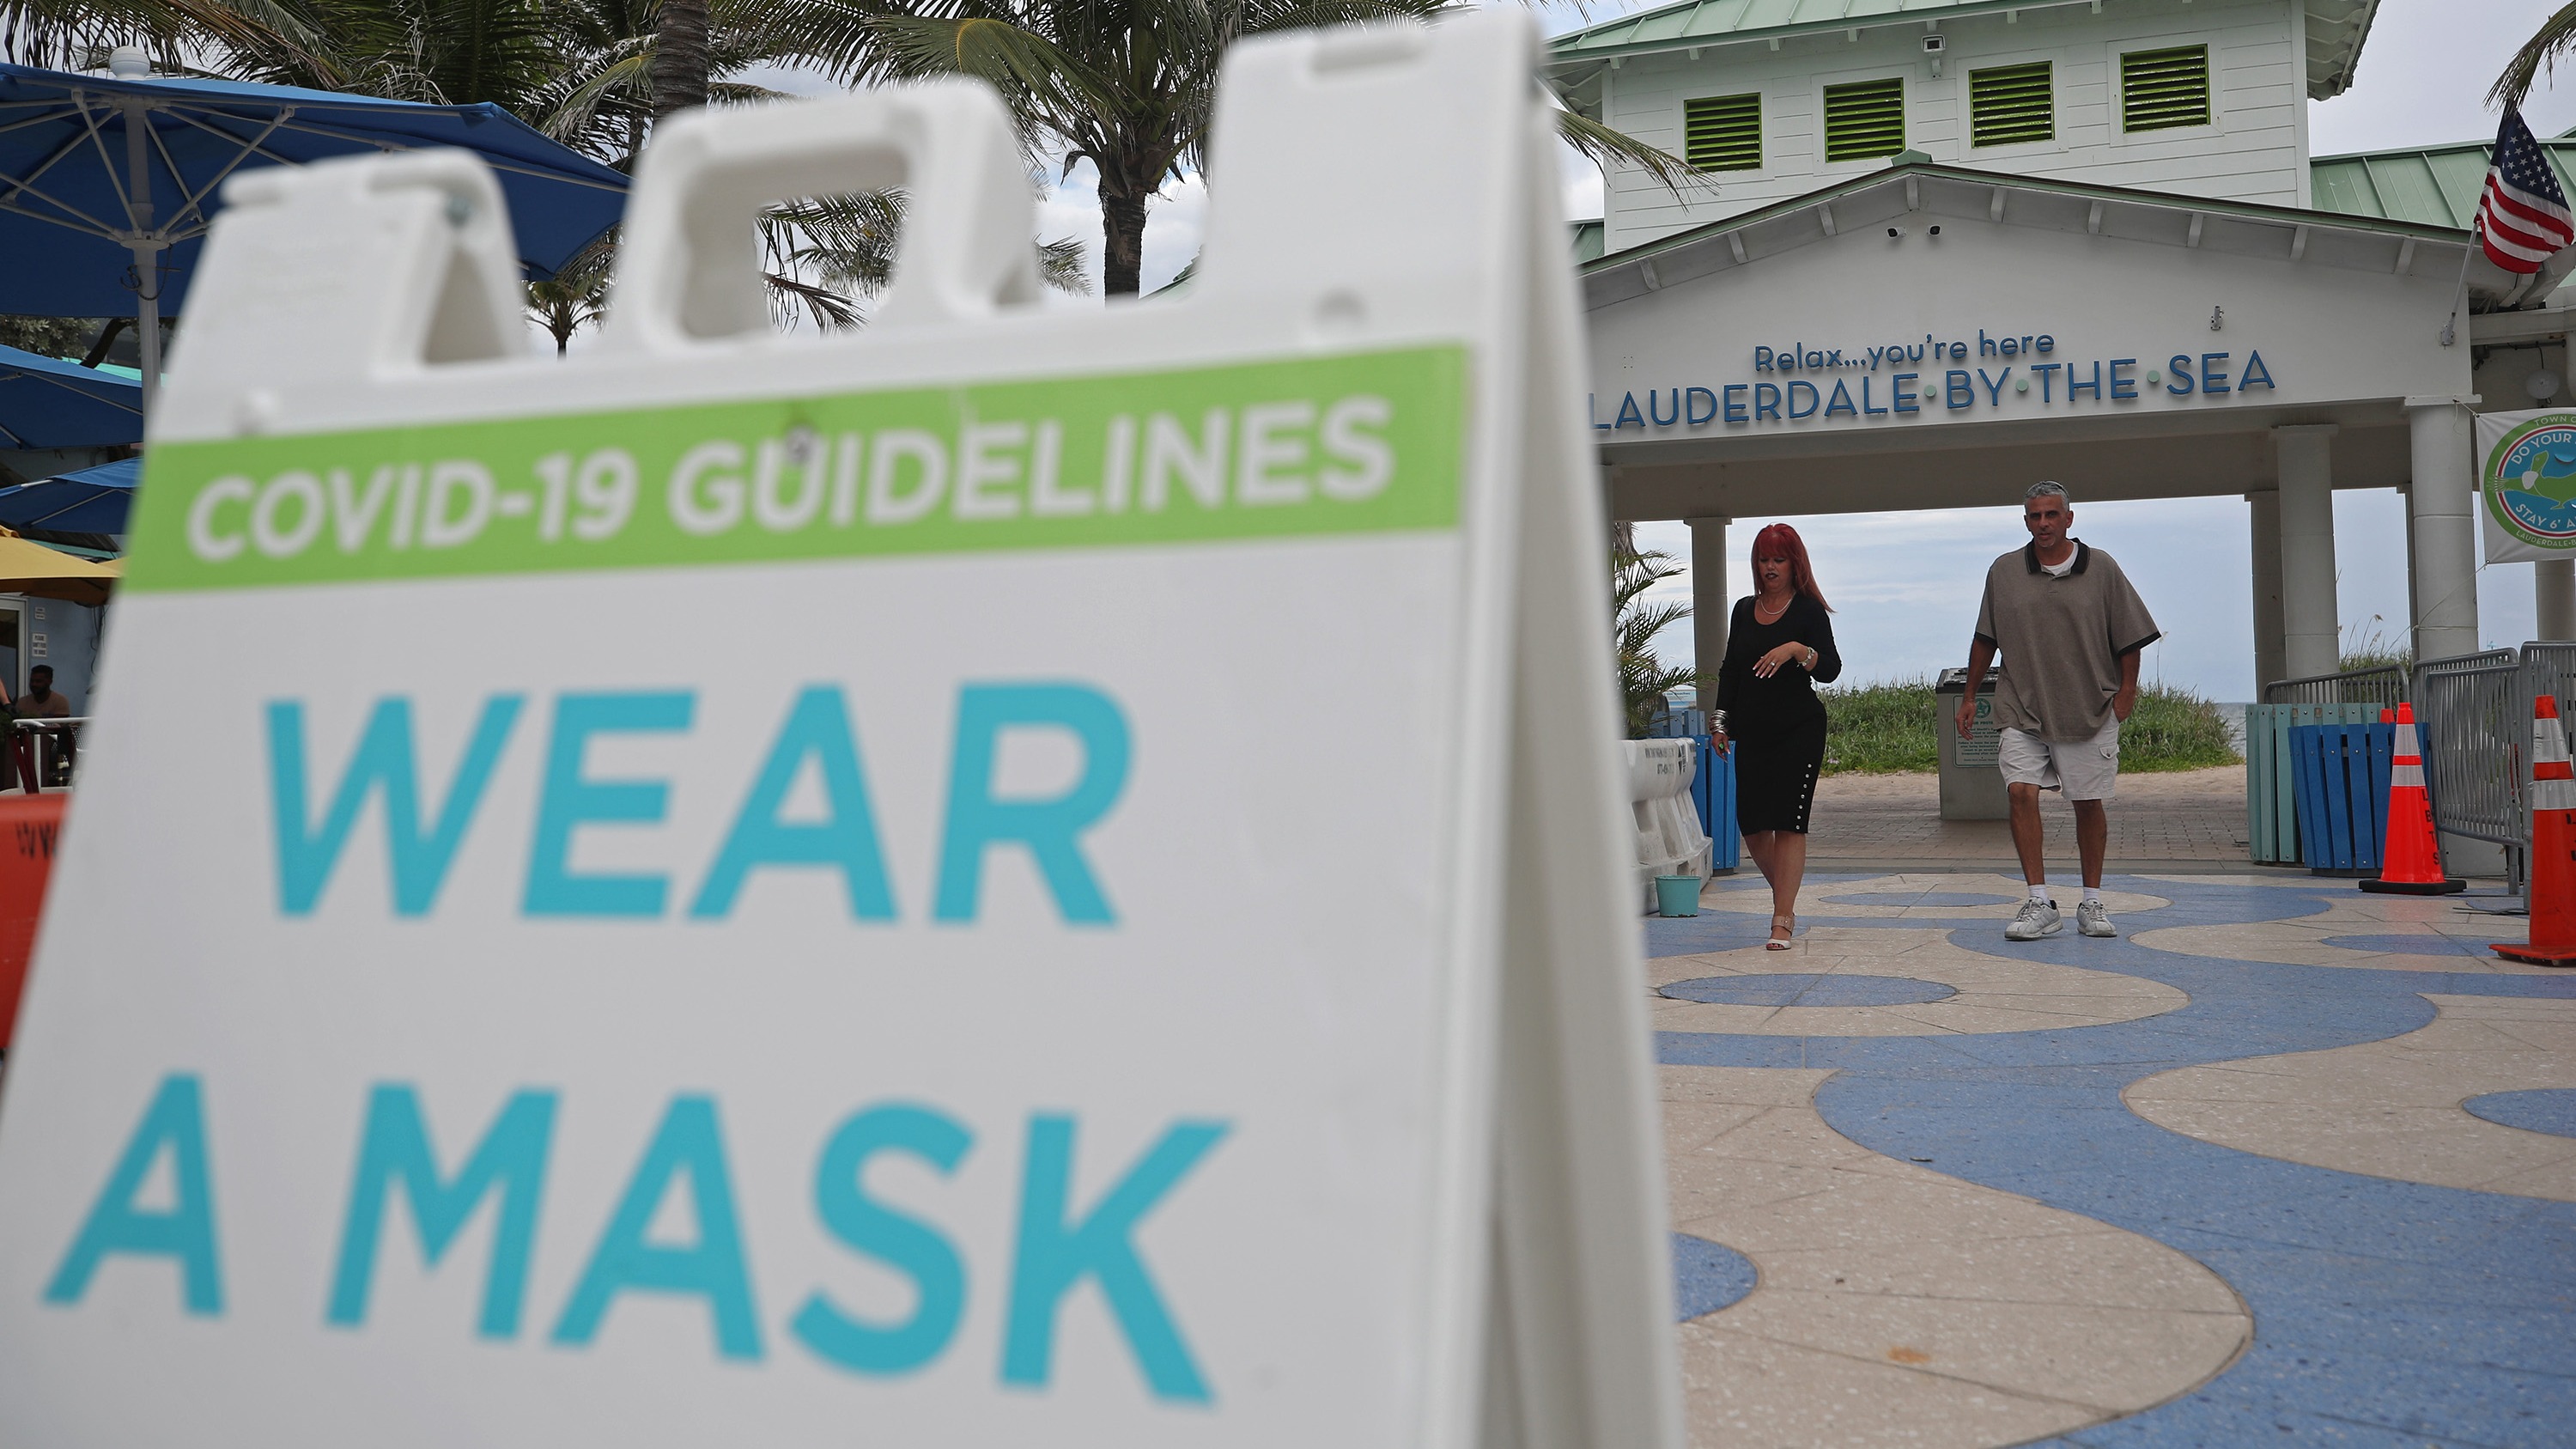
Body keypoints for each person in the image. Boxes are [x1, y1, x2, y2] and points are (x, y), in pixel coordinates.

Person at [1955, 482, 2160, 941]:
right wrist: (1970, 696)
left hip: (2089, 707)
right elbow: (1985, 638)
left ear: (2069, 518)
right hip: (2020, 704)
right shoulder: (2004, 571)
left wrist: (2126, 694)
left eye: (2051, 515)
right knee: (2020, 792)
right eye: (2034, 516)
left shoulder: (2102, 567)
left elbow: (2130, 637)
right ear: (2025, 521)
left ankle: (2091, 900)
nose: (2043, 524)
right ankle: (2039, 900)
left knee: (2088, 804)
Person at [1710, 524, 1842, 949]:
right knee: (1752, 826)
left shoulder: (1807, 612)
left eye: (1778, 560)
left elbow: (1830, 669)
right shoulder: (1743, 609)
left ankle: (1781, 919)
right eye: (1764, 559)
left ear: (1794, 564)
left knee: (1789, 822)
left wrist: (1795, 650)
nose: (1770, 567)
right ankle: (1786, 896)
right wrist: (1720, 723)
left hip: (1798, 730)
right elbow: (1731, 669)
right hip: (1753, 731)